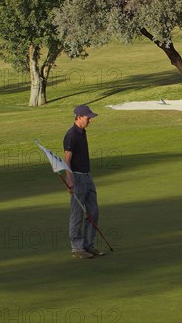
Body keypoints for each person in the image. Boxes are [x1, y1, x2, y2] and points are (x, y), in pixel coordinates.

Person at [64, 105, 104, 258]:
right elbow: (67, 159)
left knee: (93, 212)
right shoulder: (71, 135)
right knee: (77, 213)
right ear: (79, 117)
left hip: (87, 176)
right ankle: (77, 248)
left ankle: (88, 245)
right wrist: (70, 180)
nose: (90, 121)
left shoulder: (82, 132)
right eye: (88, 118)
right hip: (77, 177)